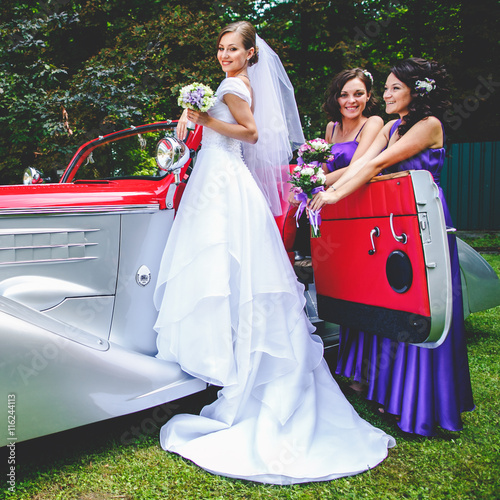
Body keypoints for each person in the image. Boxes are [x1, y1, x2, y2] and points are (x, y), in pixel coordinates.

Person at [153, 21, 394, 485]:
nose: (224, 55)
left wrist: (204, 120)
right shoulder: (233, 83)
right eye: (220, 48)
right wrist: (190, 119)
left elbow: (250, 133)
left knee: (229, 268)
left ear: (249, 55)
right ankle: (233, 358)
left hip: (224, 181)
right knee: (229, 272)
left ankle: (239, 364)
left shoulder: (232, 85)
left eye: (232, 49)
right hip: (219, 178)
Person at [309, 57, 475, 436]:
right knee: (391, 303)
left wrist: (331, 195)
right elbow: (361, 163)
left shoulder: (427, 126)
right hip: (391, 219)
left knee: (419, 304)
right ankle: (391, 391)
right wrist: (319, 185)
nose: (385, 94)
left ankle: (421, 403)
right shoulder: (393, 125)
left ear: (417, 91)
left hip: (423, 219)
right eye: (384, 88)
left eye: (393, 88)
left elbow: (376, 165)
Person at [285, 68, 383, 264]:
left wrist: (311, 184)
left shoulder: (373, 123)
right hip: (332, 201)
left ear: (369, 95)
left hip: (359, 196)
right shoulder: (332, 127)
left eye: (358, 94)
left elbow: (358, 166)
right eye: (344, 95)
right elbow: (326, 168)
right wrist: (300, 186)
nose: (351, 101)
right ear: (336, 98)